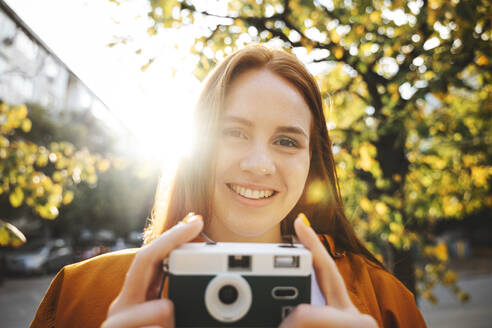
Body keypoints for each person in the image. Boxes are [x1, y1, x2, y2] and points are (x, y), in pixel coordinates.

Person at [31, 45, 426, 328]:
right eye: (233, 132)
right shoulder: (78, 295)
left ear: (312, 162)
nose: (258, 164)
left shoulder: (386, 303)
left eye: (287, 141)